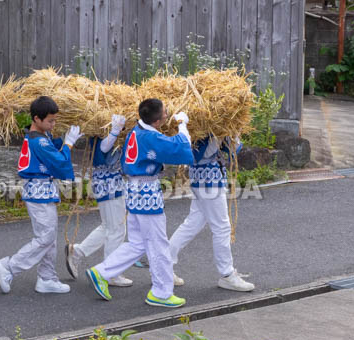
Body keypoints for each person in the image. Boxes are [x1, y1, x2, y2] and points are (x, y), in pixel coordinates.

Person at [86, 99, 194, 308]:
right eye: (165, 113)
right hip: (147, 192)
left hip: (133, 190)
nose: (166, 115)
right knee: (158, 242)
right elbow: (181, 148)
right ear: (157, 120)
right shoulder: (150, 136)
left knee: (137, 243)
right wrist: (182, 124)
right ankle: (161, 293)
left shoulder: (136, 130)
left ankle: (101, 272)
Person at [0, 96, 79, 294]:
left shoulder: (39, 137)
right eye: (50, 120)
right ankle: (10, 267)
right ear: (37, 119)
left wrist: (63, 140)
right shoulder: (38, 141)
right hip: (39, 192)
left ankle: (47, 277)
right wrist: (69, 144)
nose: (53, 124)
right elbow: (58, 162)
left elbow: (52, 148)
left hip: (42, 191)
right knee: (45, 238)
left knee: (49, 237)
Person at [168, 136, 255, 292]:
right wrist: (218, 136)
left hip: (206, 179)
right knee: (221, 227)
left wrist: (233, 133)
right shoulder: (203, 129)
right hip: (208, 180)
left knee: (192, 224)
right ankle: (227, 274)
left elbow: (233, 151)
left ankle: (164, 264)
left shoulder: (212, 129)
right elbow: (197, 155)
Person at [65, 114, 132, 287]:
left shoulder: (101, 131)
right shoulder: (103, 133)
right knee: (116, 230)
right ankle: (111, 272)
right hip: (109, 183)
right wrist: (116, 130)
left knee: (109, 226)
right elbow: (104, 147)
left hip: (108, 182)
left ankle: (77, 252)